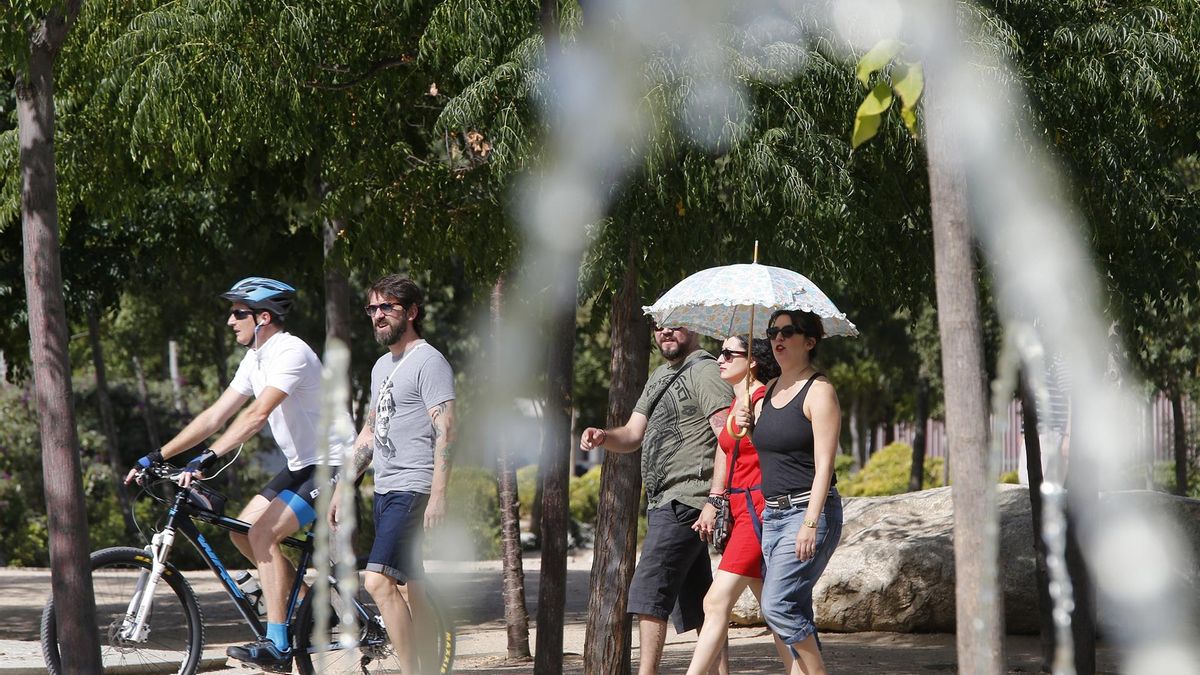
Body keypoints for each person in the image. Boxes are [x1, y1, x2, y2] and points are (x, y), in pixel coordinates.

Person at [125, 277, 354, 670]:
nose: (230, 320)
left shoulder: (290, 352)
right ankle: (308, 610)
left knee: (263, 533)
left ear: (263, 317)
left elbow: (256, 415)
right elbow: (216, 415)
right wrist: (156, 455)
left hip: (335, 462)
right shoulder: (256, 358)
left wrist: (209, 457)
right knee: (241, 528)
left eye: (238, 313)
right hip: (302, 465)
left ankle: (278, 644)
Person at [580, 324, 733, 675]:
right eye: (659, 327)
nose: (665, 332)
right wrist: (604, 436)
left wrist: (715, 496)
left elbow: (728, 439)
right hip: (665, 500)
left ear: (692, 329)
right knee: (700, 603)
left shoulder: (706, 371)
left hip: (687, 500)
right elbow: (632, 435)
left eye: (674, 326)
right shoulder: (661, 375)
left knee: (649, 592)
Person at [329, 274, 456, 674]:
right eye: (373, 308)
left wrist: (438, 494)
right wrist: (342, 486)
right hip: (386, 488)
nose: (378, 315)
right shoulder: (382, 366)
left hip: (413, 487)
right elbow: (369, 432)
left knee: (377, 582)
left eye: (388, 307)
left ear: (412, 312)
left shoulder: (429, 361)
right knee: (411, 588)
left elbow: (447, 429)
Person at [736, 309, 843, 675]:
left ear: (809, 341)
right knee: (795, 608)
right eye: (772, 332)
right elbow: (775, 455)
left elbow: (824, 468)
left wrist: (810, 523)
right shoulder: (767, 394)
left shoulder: (820, 391)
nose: (777, 338)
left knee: (777, 605)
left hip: (807, 511)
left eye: (788, 331)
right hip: (774, 514)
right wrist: (750, 426)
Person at [686, 336, 791, 675]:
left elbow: (780, 447)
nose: (720, 358)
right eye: (721, 352)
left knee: (714, 602)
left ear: (752, 361)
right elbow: (726, 452)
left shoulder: (763, 399)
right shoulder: (738, 402)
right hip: (738, 509)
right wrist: (715, 500)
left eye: (730, 353)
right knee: (775, 611)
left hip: (758, 510)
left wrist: (757, 426)